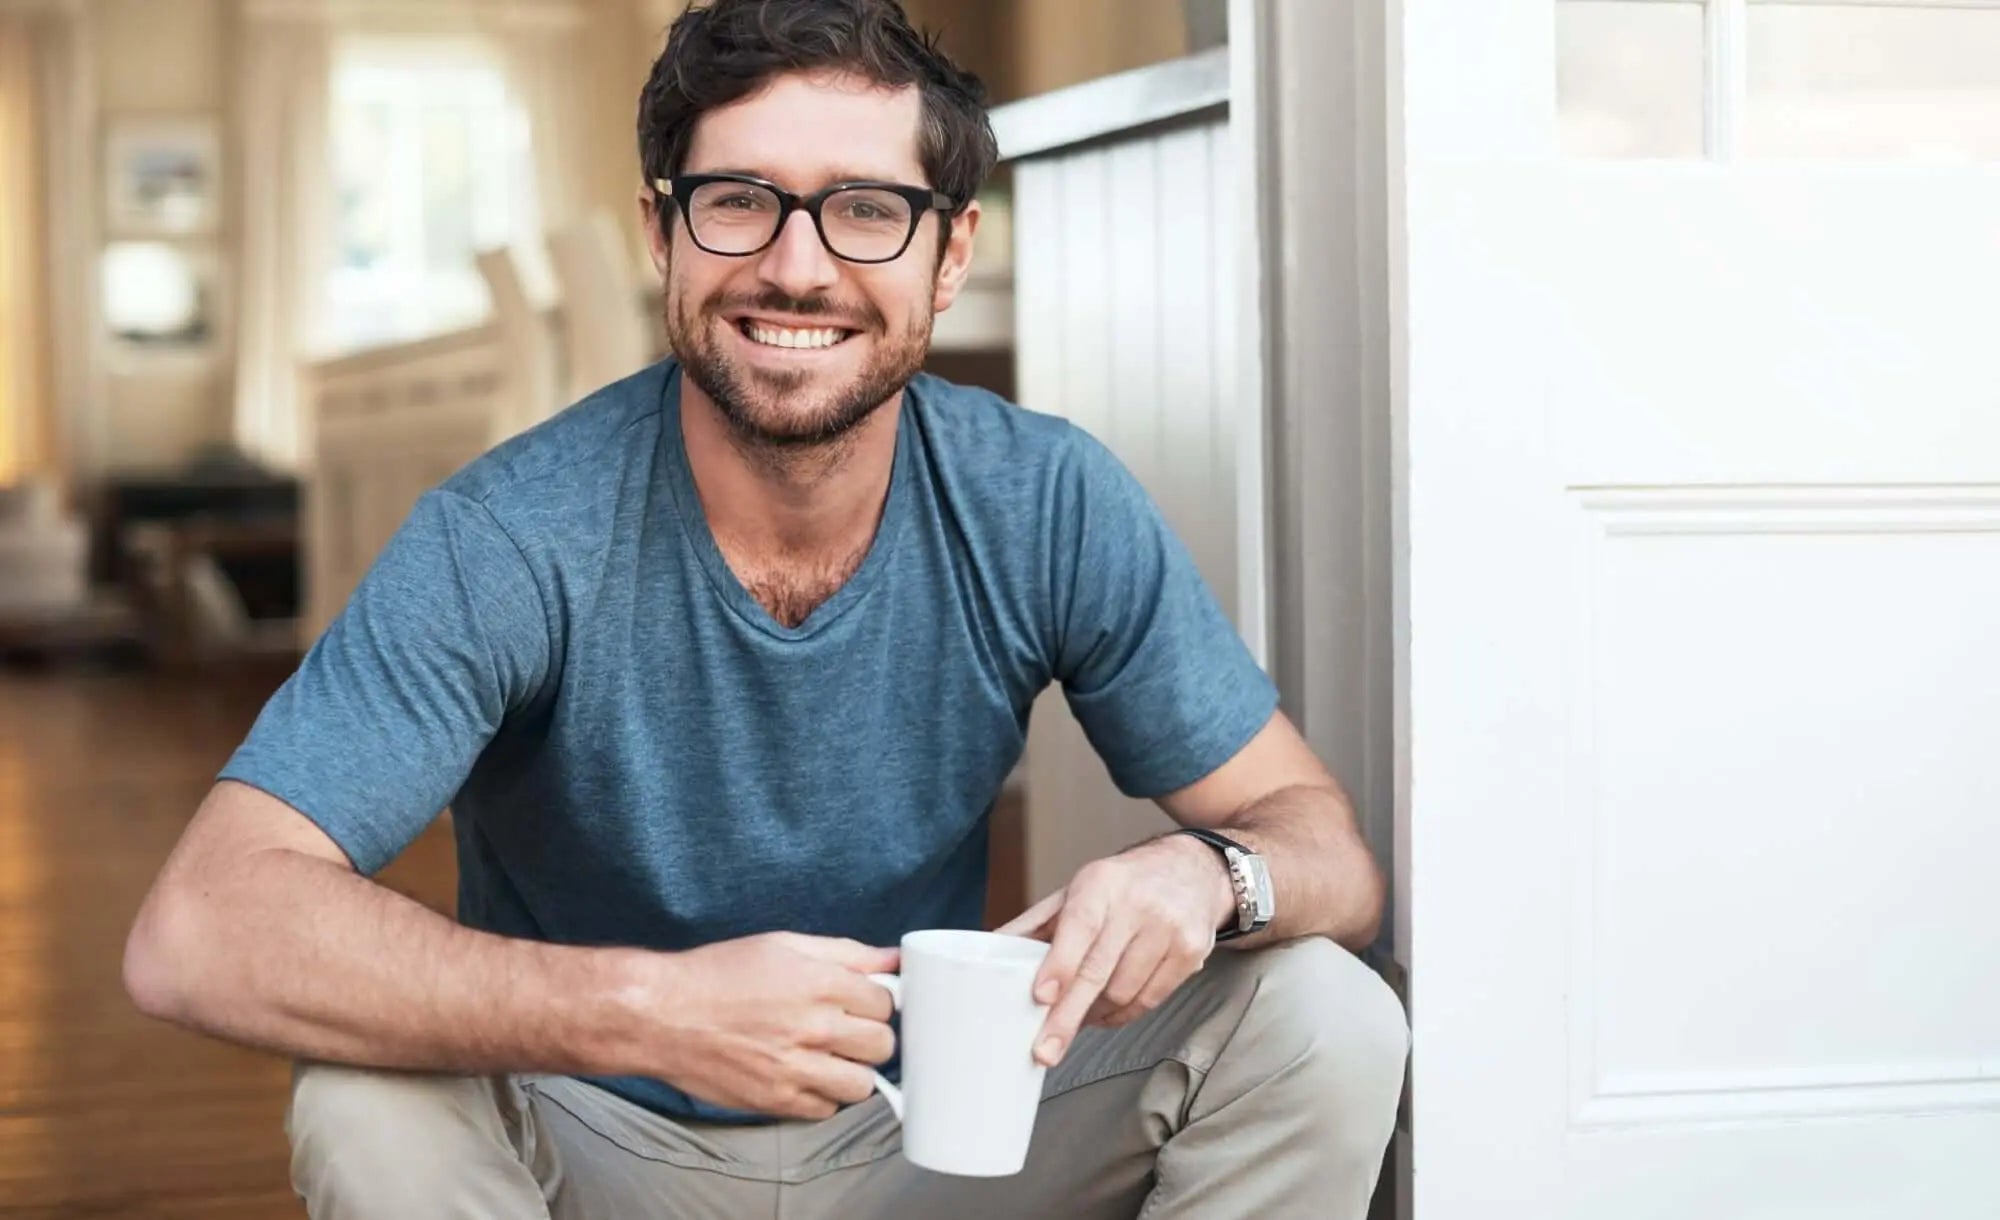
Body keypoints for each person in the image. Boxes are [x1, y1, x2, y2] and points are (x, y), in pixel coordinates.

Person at [121, 0, 1407, 1215]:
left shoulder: (1044, 497)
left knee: (1321, 1013)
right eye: (739, 203)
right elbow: (199, 926)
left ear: (949, 251)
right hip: (590, 1145)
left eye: (865, 210)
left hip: (925, 1132)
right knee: (361, 1088)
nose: (797, 269)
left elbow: (1328, 859)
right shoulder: (507, 535)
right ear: (660, 232)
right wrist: (650, 1008)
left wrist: (1207, 869)